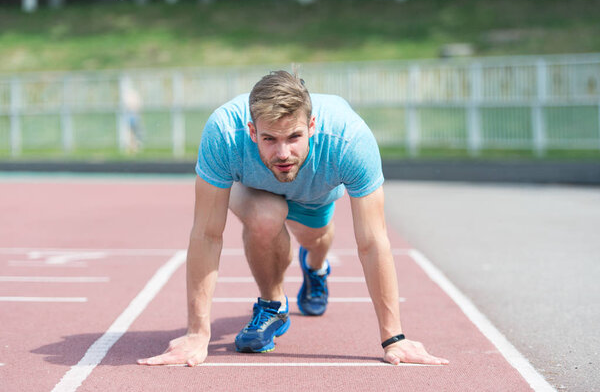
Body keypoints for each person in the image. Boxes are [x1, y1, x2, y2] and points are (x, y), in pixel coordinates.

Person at [137, 70, 448, 366]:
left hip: (316, 190)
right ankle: (273, 306)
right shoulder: (223, 132)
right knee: (265, 219)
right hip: (255, 188)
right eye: (270, 139)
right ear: (251, 131)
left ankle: (315, 268)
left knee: (315, 239)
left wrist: (394, 338)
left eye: (294, 137)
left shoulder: (349, 140)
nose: (283, 153)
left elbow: (373, 241)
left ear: (311, 126)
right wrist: (196, 334)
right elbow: (206, 233)